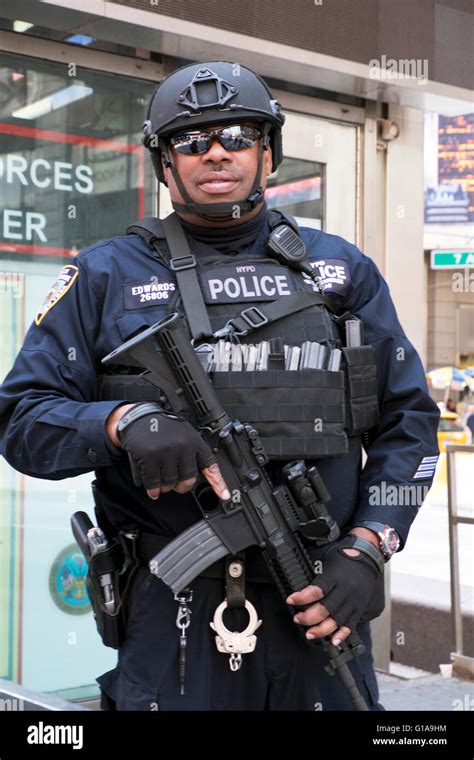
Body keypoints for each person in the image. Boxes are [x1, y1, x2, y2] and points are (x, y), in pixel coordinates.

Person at [0, 61, 440, 711]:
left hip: (318, 602)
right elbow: (21, 421)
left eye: (237, 133)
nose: (215, 152)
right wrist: (122, 424)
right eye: (191, 139)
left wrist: (371, 545)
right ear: (163, 160)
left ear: (269, 151)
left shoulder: (340, 272)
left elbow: (411, 422)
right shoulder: (104, 276)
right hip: (171, 617)